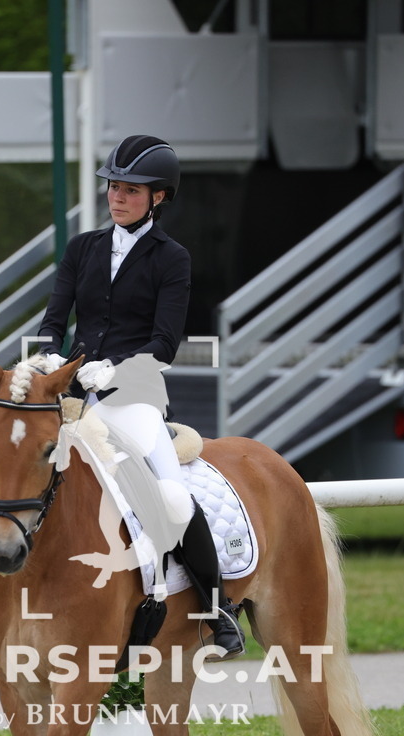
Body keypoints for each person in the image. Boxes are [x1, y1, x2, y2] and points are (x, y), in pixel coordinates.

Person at [38, 134, 245, 660]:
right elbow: (55, 319)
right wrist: (45, 363)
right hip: (76, 397)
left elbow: (165, 341)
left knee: (172, 496)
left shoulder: (171, 258)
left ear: (158, 197)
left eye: (131, 190)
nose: (117, 197)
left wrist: (116, 372)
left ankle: (215, 605)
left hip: (135, 397)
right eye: (113, 187)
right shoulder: (82, 247)